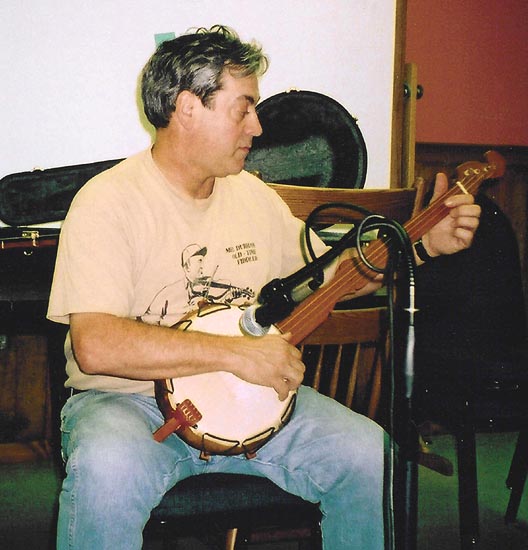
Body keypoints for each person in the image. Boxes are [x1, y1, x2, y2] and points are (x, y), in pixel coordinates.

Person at [47, 25, 481, 550]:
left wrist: (420, 247)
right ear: (187, 108)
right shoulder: (106, 202)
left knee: (370, 454)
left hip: (254, 400)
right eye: (244, 107)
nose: (257, 125)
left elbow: (325, 280)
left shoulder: (251, 196)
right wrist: (237, 354)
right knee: (106, 468)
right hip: (129, 404)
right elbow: (97, 346)